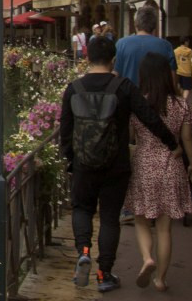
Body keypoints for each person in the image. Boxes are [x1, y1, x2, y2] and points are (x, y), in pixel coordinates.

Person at [59, 36, 181, 293]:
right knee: (109, 219)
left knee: (81, 209)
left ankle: (83, 251)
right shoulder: (123, 86)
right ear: (113, 58)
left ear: (86, 57)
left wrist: (71, 159)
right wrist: (171, 143)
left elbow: (66, 132)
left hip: (83, 164)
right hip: (116, 165)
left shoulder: (74, 89)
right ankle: (104, 274)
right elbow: (149, 117)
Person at [125, 53, 192, 291]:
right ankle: (161, 279)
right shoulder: (181, 104)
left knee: (141, 219)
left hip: (144, 164)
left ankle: (147, 258)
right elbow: (187, 138)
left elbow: (130, 137)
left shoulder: (137, 103)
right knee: (165, 228)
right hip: (172, 165)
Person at [113, 5, 175, 86]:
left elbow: (116, 74)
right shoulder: (166, 46)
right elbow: (172, 79)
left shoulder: (121, 44)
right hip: (157, 97)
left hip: (128, 96)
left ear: (136, 24)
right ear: (155, 25)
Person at [174, 36, 192, 100]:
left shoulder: (175, 51)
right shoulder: (190, 51)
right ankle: (184, 101)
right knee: (186, 88)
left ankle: (181, 100)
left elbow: (174, 62)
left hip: (178, 72)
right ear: (186, 42)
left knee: (180, 86)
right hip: (187, 73)